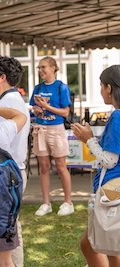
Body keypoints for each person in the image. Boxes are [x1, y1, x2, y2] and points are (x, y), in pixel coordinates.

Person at [0, 56, 30, 267]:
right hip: (13, 171)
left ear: (2, 77)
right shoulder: (10, 101)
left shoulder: (7, 102)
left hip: (6, 173)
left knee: (8, 230)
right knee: (9, 227)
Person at [72, 65, 120, 267]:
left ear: (109, 88)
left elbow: (110, 160)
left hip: (112, 190)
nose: (100, 90)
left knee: (96, 243)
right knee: (105, 244)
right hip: (113, 190)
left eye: (101, 85)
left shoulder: (117, 116)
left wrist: (88, 139)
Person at [30, 56, 74, 217]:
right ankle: (46, 203)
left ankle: (68, 202)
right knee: (44, 167)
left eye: (43, 67)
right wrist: (37, 110)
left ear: (53, 68)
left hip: (56, 129)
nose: (41, 70)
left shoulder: (61, 87)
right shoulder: (37, 87)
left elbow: (65, 112)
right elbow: (34, 108)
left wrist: (46, 106)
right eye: (39, 68)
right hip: (40, 128)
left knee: (61, 166)